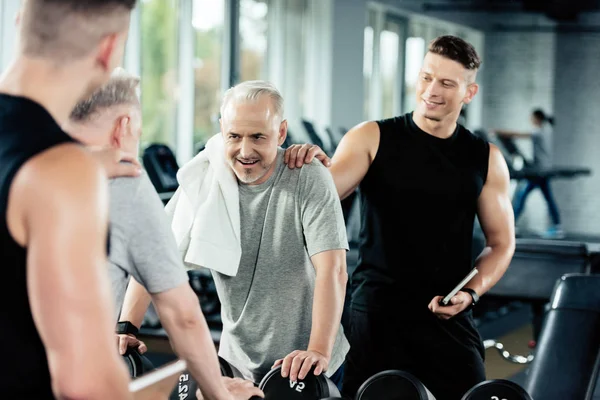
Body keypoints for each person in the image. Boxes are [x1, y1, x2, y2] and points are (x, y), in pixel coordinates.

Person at [284, 35, 516, 400]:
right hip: (376, 312)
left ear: (469, 93)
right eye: (426, 77)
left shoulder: (485, 157)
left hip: (447, 315)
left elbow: (501, 244)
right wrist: (309, 164)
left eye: (446, 83)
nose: (431, 90)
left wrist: (470, 294)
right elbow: (322, 195)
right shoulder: (372, 137)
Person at [119, 80, 350, 389]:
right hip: (235, 361)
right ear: (221, 129)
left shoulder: (307, 177)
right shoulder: (206, 179)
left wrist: (317, 350)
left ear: (280, 132)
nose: (245, 150)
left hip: (307, 362)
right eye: (234, 136)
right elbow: (154, 251)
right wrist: (127, 326)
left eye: (258, 136)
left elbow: (332, 270)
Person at [64, 71, 263, 400]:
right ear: (124, 125)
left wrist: (125, 325)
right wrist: (219, 393)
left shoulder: (24, 166)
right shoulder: (124, 182)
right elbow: (181, 316)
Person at [0, 0, 142, 398]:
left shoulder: (57, 169)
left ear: (20, 23)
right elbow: (87, 383)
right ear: (109, 48)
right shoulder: (61, 173)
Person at [492, 109, 564, 239]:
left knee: (521, 195)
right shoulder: (547, 131)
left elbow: (519, 134)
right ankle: (557, 226)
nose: (530, 120)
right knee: (546, 198)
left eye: (532, 118)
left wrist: (498, 132)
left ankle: (510, 225)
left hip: (538, 171)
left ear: (537, 118)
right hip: (543, 170)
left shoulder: (539, 131)